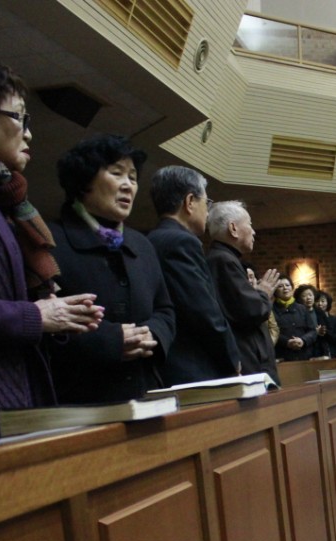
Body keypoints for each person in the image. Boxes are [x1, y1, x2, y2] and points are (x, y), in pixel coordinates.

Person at [0, 58, 103, 439]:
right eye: (20, 118)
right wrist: (36, 315)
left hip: (11, 395)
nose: (29, 134)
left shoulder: (2, 200)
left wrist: (56, 312)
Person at [48, 134, 175, 404]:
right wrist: (110, 341)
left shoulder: (142, 244)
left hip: (145, 391)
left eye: (133, 177)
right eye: (117, 174)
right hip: (79, 400)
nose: (128, 185)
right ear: (83, 181)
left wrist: (151, 334)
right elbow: (40, 322)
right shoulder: (49, 241)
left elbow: (165, 309)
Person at [148, 165, 240, 385]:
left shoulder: (149, 240)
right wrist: (232, 358)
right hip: (194, 368)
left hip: (165, 366)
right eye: (206, 203)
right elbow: (203, 311)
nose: (207, 211)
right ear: (189, 202)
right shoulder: (182, 242)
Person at [205, 200, 280, 383]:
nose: (254, 232)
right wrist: (263, 292)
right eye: (250, 224)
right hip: (249, 363)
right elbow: (251, 311)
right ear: (233, 229)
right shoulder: (223, 260)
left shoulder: (225, 258)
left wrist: (253, 292)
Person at [272, 278, 314, 361]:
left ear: (292, 288)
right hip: (282, 356)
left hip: (304, 355)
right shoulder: (271, 310)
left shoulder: (302, 308)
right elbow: (270, 332)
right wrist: (287, 342)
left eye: (287, 285)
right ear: (275, 291)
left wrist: (303, 340)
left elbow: (312, 330)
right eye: (280, 286)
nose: (285, 288)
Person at [315, 290, 336, 357]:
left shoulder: (335, 320)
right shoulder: (312, 318)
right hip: (317, 354)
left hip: (333, 354)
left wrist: (325, 332)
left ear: (328, 303)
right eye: (317, 301)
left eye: (323, 301)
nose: (320, 304)